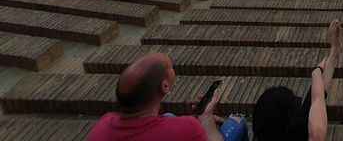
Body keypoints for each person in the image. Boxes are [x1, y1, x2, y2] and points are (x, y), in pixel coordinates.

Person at [87, 52, 235, 141]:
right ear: (165, 86)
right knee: (237, 125)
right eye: (170, 66)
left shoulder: (103, 125)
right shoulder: (188, 128)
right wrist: (206, 119)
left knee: (169, 115)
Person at [253, 20, 343, 141]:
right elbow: (318, 100)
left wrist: (333, 53)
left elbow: (319, 95)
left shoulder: (291, 130)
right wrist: (316, 73)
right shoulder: (302, 130)